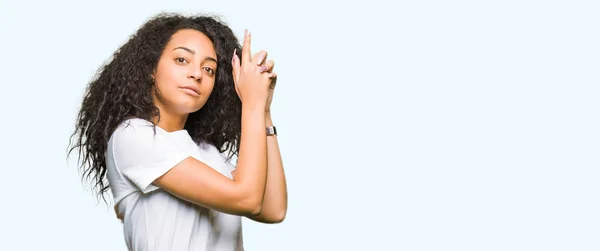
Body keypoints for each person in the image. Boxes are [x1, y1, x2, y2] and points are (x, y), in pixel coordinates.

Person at [68, 12, 287, 251]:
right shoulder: (133, 137)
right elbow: (246, 199)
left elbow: (273, 208)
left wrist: (263, 110)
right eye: (182, 60)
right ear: (151, 68)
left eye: (209, 69)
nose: (197, 74)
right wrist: (251, 104)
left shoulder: (206, 152)